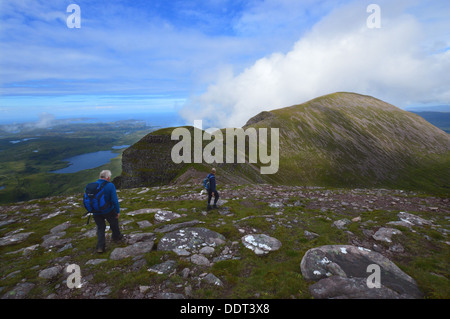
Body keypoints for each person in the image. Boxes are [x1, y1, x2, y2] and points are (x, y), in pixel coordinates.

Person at [92, 170, 123, 253]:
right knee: (114, 222)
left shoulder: (93, 185)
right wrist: (117, 211)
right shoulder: (110, 185)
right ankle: (116, 237)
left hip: (96, 211)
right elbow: (114, 200)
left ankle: (100, 247)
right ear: (108, 178)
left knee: (100, 228)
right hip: (108, 210)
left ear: (100, 176)